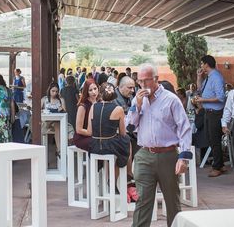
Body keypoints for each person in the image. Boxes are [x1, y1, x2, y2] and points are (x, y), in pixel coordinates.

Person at [127, 65, 192, 227]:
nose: (142, 84)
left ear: (155, 79)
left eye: (145, 80)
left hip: (168, 155)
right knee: (142, 201)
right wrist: (138, 106)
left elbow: (184, 128)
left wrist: (183, 157)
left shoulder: (171, 99)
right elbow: (129, 127)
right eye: (139, 81)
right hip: (144, 155)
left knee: (172, 201)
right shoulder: (137, 99)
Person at [85, 83, 131, 173]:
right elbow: (123, 133)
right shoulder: (118, 109)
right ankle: (120, 176)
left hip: (94, 146)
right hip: (110, 146)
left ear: (100, 93)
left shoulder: (93, 106)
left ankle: (107, 175)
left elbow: (89, 131)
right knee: (127, 141)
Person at [193, 54, 226, 177]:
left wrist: (203, 101)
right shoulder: (209, 77)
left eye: (202, 63)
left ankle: (217, 167)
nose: (201, 66)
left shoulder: (216, 77)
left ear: (206, 64)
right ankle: (220, 164)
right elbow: (200, 89)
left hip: (215, 113)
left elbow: (221, 97)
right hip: (209, 112)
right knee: (211, 139)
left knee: (214, 139)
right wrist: (198, 77)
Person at [41, 83, 67, 157]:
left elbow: (65, 112)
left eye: (56, 91)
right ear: (49, 90)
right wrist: (43, 111)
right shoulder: (44, 99)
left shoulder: (61, 100)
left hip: (57, 122)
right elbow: (37, 111)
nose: (54, 93)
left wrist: (62, 109)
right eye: (53, 91)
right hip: (46, 122)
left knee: (57, 125)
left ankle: (59, 150)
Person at [73, 79, 98, 152]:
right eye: (90, 90)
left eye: (95, 89)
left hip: (95, 136)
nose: (94, 92)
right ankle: (97, 163)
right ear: (86, 92)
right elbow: (78, 129)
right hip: (82, 138)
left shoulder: (100, 102)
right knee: (100, 144)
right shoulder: (83, 106)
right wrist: (91, 133)